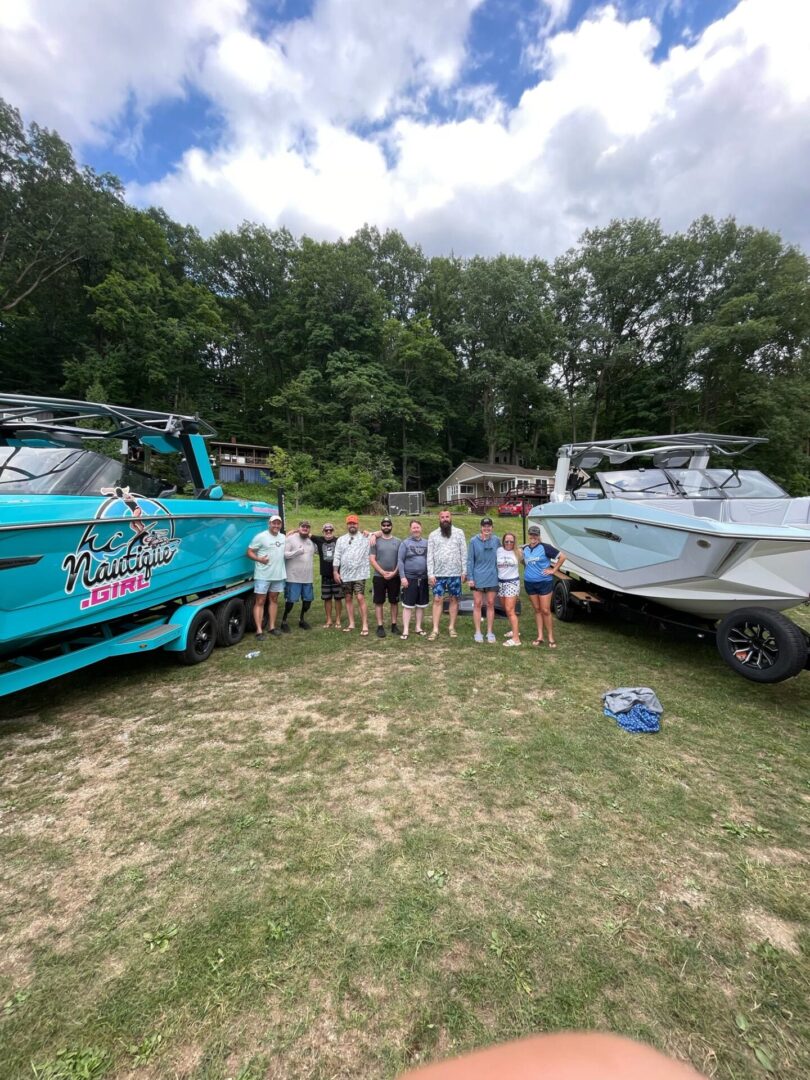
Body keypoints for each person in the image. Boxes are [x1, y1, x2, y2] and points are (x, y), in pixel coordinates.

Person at [522, 523, 567, 647]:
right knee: (537, 609)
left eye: (535, 535)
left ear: (539, 536)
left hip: (544, 582)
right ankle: (540, 636)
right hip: (529, 583)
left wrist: (554, 570)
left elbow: (562, 557)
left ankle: (551, 637)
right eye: (531, 534)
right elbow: (522, 560)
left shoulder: (545, 547)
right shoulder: (525, 548)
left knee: (545, 610)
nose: (533, 537)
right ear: (529, 535)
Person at [427, 509, 467, 640]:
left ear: (451, 518)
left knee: (454, 599)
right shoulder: (433, 535)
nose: (445, 519)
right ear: (439, 519)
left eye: (447, 517)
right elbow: (429, 556)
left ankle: (451, 627)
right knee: (437, 600)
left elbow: (464, 553)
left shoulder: (459, 533)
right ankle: (435, 629)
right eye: (442, 517)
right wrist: (430, 574)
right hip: (438, 574)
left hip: (455, 573)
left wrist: (464, 571)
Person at [246, 514, 286, 639]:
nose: (276, 525)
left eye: (278, 523)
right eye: (274, 523)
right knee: (260, 601)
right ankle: (259, 631)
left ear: (280, 525)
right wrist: (259, 559)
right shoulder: (261, 537)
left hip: (278, 574)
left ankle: (272, 627)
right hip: (263, 575)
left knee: (274, 600)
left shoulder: (283, 537)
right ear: (269, 524)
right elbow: (249, 551)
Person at [333, 514, 371, 635]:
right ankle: (351, 623)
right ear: (347, 525)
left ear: (357, 524)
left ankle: (365, 625)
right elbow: (337, 556)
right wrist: (335, 571)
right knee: (348, 598)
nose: (352, 525)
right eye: (350, 523)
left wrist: (371, 533)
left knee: (360, 597)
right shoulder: (341, 539)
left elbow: (381, 532)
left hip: (360, 573)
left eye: (354, 523)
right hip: (345, 574)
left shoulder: (365, 537)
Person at [467, 516, 500, 643]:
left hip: (492, 576)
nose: (487, 528)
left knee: (491, 603)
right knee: (477, 604)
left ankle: (490, 632)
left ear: (492, 527)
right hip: (477, 577)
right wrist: (470, 577)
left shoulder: (496, 540)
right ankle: (478, 632)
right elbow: (470, 560)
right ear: (481, 527)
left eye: (489, 526)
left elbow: (503, 555)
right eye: (484, 526)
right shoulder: (473, 541)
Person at [396, 520, 429, 639]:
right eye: (414, 528)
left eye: (418, 527)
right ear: (410, 529)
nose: (416, 529)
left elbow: (430, 560)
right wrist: (403, 577)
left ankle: (418, 627)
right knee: (408, 605)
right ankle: (405, 630)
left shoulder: (427, 543)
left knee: (421, 605)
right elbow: (400, 561)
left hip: (423, 578)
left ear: (421, 528)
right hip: (409, 578)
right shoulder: (405, 543)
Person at [369, 516, 402, 638]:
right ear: (381, 526)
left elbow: (400, 559)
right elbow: (372, 559)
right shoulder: (374, 541)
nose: (386, 527)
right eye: (384, 525)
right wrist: (382, 572)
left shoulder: (398, 541)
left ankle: (394, 625)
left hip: (395, 576)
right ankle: (380, 626)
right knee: (379, 602)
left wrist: (394, 572)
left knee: (394, 602)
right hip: (379, 576)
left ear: (391, 526)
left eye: (388, 525)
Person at [281, 520, 315, 632]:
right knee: (290, 601)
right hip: (293, 577)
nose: (305, 528)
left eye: (307, 527)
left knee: (307, 602)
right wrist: (297, 552)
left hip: (307, 577)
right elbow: (284, 555)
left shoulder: (311, 541)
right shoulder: (290, 538)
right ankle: (284, 621)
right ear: (299, 527)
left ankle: (302, 620)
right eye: (303, 526)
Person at [311, 522, 342, 628]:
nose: (328, 532)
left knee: (338, 598)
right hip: (325, 575)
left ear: (333, 531)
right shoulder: (319, 540)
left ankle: (338, 618)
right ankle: (329, 619)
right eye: (326, 530)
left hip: (337, 574)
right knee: (327, 598)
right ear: (323, 531)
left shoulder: (339, 541)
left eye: (330, 530)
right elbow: (305, 533)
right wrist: (292, 532)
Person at [496, 531, 522, 646]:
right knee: (506, 609)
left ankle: (516, 639)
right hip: (501, 583)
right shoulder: (499, 550)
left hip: (512, 583)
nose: (509, 543)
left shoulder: (518, 552)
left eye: (511, 541)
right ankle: (514, 631)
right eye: (507, 541)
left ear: (514, 542)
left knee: (510, 610)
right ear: (503, 541)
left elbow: (529, 563)